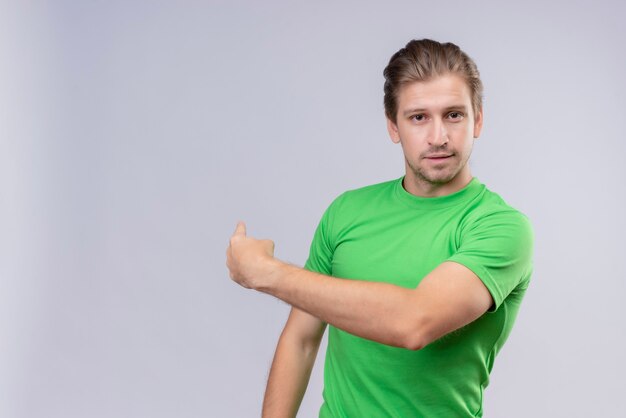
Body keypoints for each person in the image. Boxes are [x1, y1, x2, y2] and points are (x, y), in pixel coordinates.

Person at [226, 39, 534, 418]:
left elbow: (414, 323)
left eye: (453, 115)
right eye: (418, 117)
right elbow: (302, 340)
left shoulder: (500, 227)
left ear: (478, 120)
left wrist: (267, 274)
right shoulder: (347, 211)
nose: (438, 137)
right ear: (393, 126)